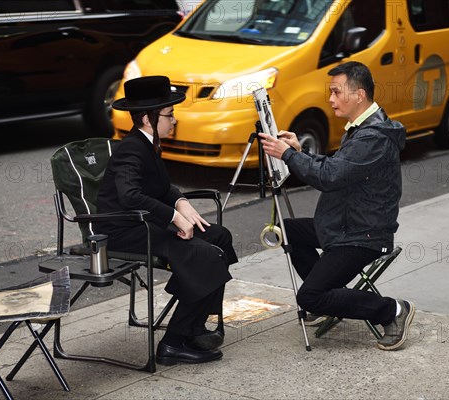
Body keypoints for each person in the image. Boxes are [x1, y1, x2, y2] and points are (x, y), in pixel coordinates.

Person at [259, 61, 414, 351]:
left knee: (308, 297)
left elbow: (330, 176)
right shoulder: (363, 128)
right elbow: (340, 167)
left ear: (360, 95)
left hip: (363, 235)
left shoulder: (373, 137)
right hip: (344, 225)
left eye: (336, 92)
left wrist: (289, 156)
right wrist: (299, 152)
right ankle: (328, 296)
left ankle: (392, 310)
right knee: (286, 231)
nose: (330, 99)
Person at [96, 76, 238, 365]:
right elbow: (130, 195)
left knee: (219, 236)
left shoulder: (148, 142)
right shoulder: (132, 148)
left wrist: (180, 202)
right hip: (123, 231)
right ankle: (173, 343)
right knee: (204, 255)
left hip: (144, 225)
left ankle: (194, 326)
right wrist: (174, 218)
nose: (174, 120)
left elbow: (160, 187)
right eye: (169, 115)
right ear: (148, 119)